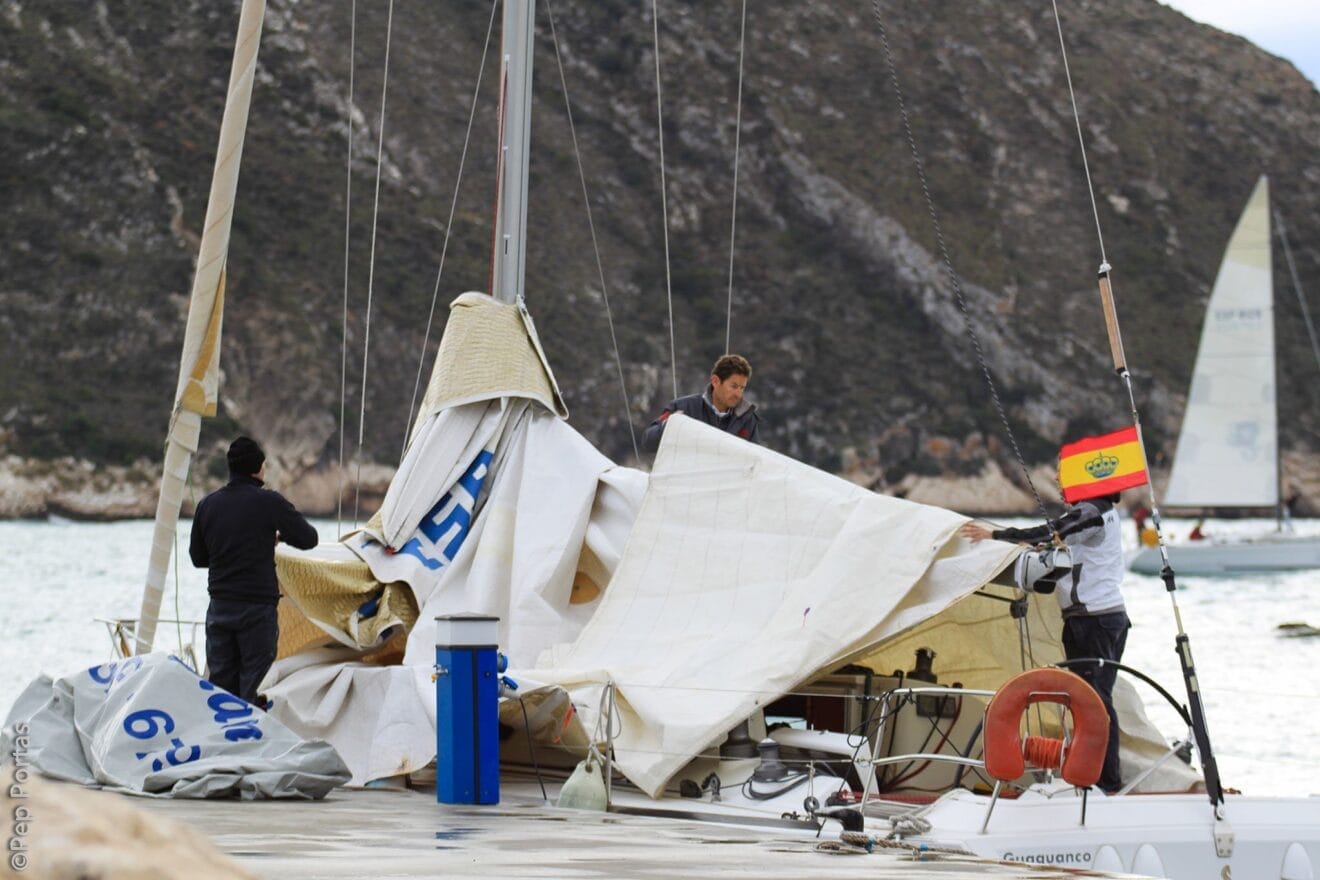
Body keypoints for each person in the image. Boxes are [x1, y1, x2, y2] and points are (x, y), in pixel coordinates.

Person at [960, 491, 1130, 794]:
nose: (1058, 482)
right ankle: (1104, 780)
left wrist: (995, 535)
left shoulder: (1090, 511)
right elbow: (1060, 544)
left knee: (1095, 702)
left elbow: (1051, 532)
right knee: (1099, 698)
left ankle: (1106, 783)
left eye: (1062, 475)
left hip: (1093, 621)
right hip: (1108, 617)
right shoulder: (1103, 513)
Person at [190, 436, 318, 708]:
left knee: (220, 690)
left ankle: (222, 743)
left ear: (230, 467)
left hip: (220, 609)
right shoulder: (269, 502)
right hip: (256, 611)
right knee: (253, 688)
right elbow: (309, 538)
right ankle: (250, 744)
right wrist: (277, 537)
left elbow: (198, 558)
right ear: (259, 468)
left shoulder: (207, 505)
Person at [641, 354, 760, 455]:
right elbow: (648, 443)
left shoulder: (747, 419)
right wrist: (669, 425)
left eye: (742, 388)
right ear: (715, 381)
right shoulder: (683, 408)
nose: (738, 394)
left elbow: (756, 461)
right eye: (734, 387)